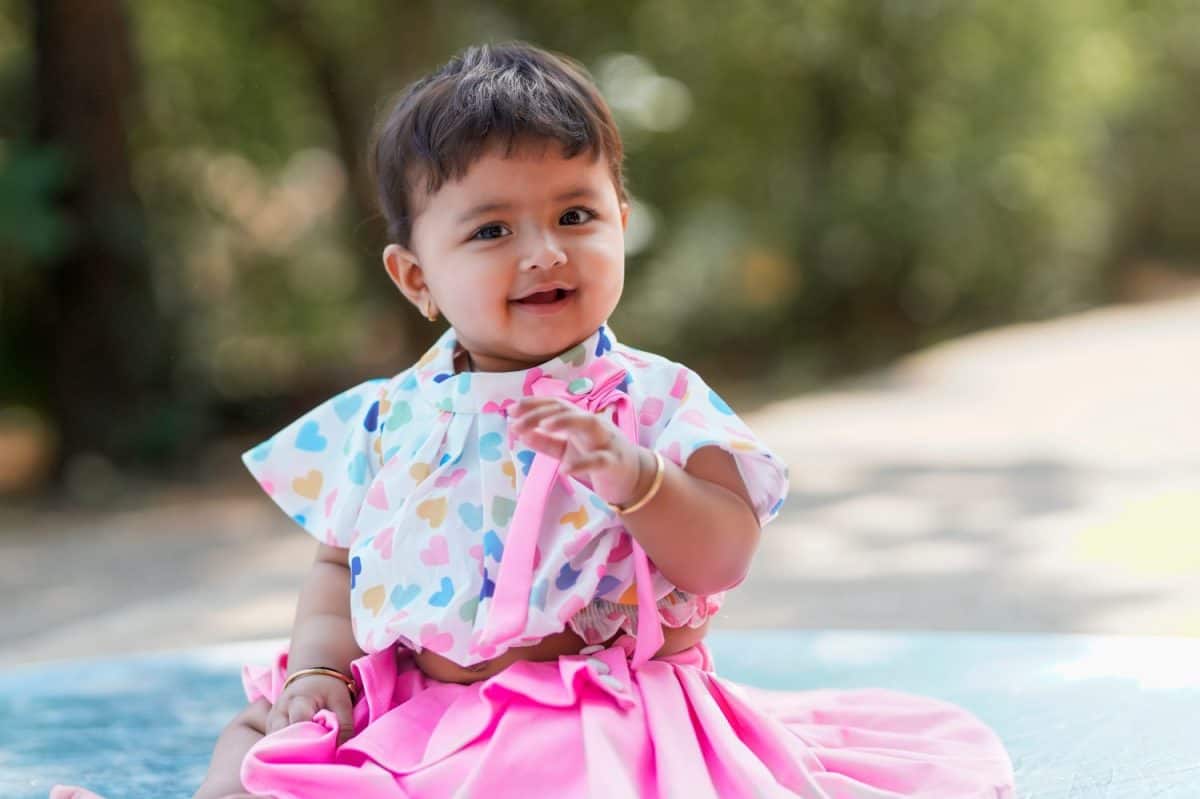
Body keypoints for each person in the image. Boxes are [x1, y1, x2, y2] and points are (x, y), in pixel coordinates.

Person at [54, 41, 1014, 799]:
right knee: (263, 737)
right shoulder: (389, 416)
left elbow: (723, 554)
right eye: (491, 230)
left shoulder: (653, 400)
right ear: (417, 277)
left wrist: (638, 479)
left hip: (585, 702)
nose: (544, 252)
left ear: (621, 219)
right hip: (414, 697)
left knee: (547, 772)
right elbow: (336, 564)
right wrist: (321, 675)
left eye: (576, 214)